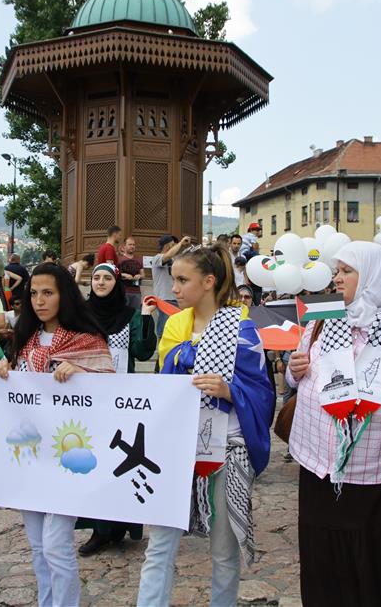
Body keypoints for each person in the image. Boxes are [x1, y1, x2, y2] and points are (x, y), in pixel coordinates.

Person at [285, 241, 381, 607]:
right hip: (320, 470)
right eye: (337, 271)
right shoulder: (324, 316)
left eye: (347, 271)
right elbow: (296, 373)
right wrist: (293, 370)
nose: (337, 278)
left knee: (375, 567)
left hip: (379, 475)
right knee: (324, 566)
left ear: (371, 276)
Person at [137, 244, 275, 607]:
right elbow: (165, 381)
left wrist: (230, 390)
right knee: (159, 546)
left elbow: (262, 391)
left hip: (227, 449)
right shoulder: (176, 325)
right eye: (174, 280)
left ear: (209, 281)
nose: (175, 288)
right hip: (176, 449)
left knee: (223, 552)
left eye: (183, 280)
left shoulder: (242, 329)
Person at [0, 263, 113, 607]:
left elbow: (109, 388)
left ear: (64, 296)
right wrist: (3, 370)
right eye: (33, 293)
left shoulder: (87, 341)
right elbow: (17, 386)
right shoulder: (26, 339)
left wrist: (83, 372)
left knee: (57, 546)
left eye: (48, 293)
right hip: (31, 455)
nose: (39, 301)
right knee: (38, 547)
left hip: (68, 456)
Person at [76, 263, 158, 555]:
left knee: (120, 460)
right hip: (88, 399)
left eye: (107, 278)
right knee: (93, 461)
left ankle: (120, 524)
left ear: (117, 283)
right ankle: (99, 529)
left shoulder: (129, 316)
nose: (100, 282)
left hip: (121, 400)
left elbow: (142, 352)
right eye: (96, 277)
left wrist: (146, 318)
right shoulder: (80, 315)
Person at [149, 235, 192, 338]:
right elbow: (167, 256)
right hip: (164, 299)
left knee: (175, 331)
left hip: (176, 298)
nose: (175, 247)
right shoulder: (157, 258)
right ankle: (161, 348)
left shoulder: (174, 260)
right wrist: (181, 243)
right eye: (173, 245)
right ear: (167, 246)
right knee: (164, 331)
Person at [118, 236, 145, 310]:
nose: (132, 246)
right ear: (124, 246)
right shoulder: (119, 259)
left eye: (133, 245)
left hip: (136, 292)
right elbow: (114, 274)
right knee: (123, 313)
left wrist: (139, 276)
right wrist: (124, 275)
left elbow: (143, 275)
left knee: (135, 313)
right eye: (130, 244)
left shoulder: (139, 259)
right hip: (123, 292)